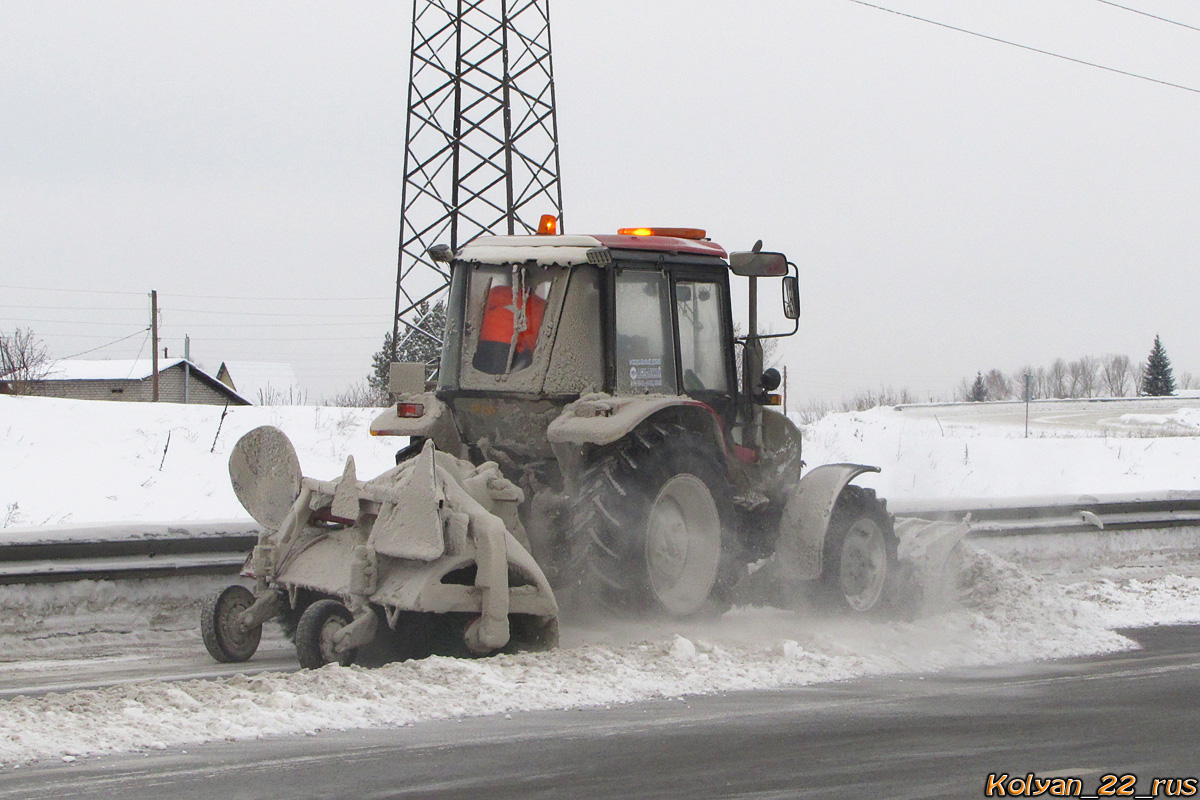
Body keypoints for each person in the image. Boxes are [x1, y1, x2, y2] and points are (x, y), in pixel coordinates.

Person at [473, 283, 547, 374]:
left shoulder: (495, 292)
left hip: (481, 349)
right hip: (511, 354)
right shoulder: (537, 304)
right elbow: (537, 343)